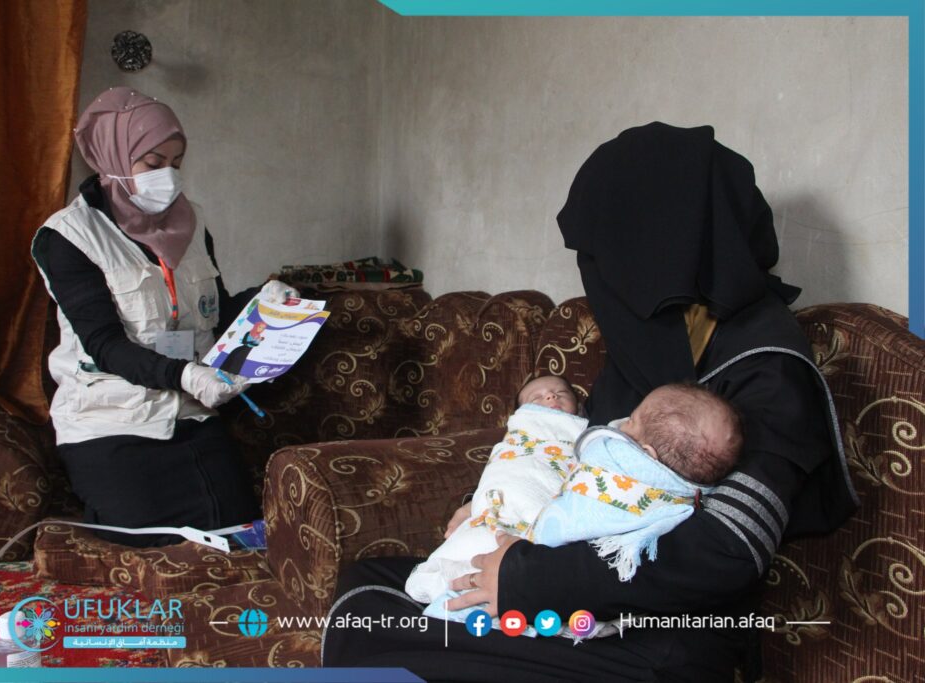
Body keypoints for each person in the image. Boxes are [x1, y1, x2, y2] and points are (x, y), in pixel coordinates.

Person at [322, 122, 858, 681]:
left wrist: (525, 579)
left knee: (383, 637)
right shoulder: (654, 340)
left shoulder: (768, 365)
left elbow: (730, 547)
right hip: (566, 572)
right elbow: (581, 456)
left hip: (654, 633)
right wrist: (487, 509)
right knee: (367, 587)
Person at [31, 87, 292, 546]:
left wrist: (264, 299)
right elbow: (105, 345)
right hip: (112, 419)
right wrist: (186, 374)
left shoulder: (192, 222)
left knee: (236, 537)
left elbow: (213, 313)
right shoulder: (69, 237)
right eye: (153, 163)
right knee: (152, 547)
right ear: (112, 156)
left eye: (176, 162)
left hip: (191, 415)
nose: (167, 176)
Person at [408, 381, 743, 635]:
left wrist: (521, 569)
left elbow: (574, 519)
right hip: (558, 581)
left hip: (546, 572)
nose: (619, 424)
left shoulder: (613, 458)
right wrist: (478, 498)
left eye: (631, 421)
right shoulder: (689, 486)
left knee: (436, 618)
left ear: (646, 455)